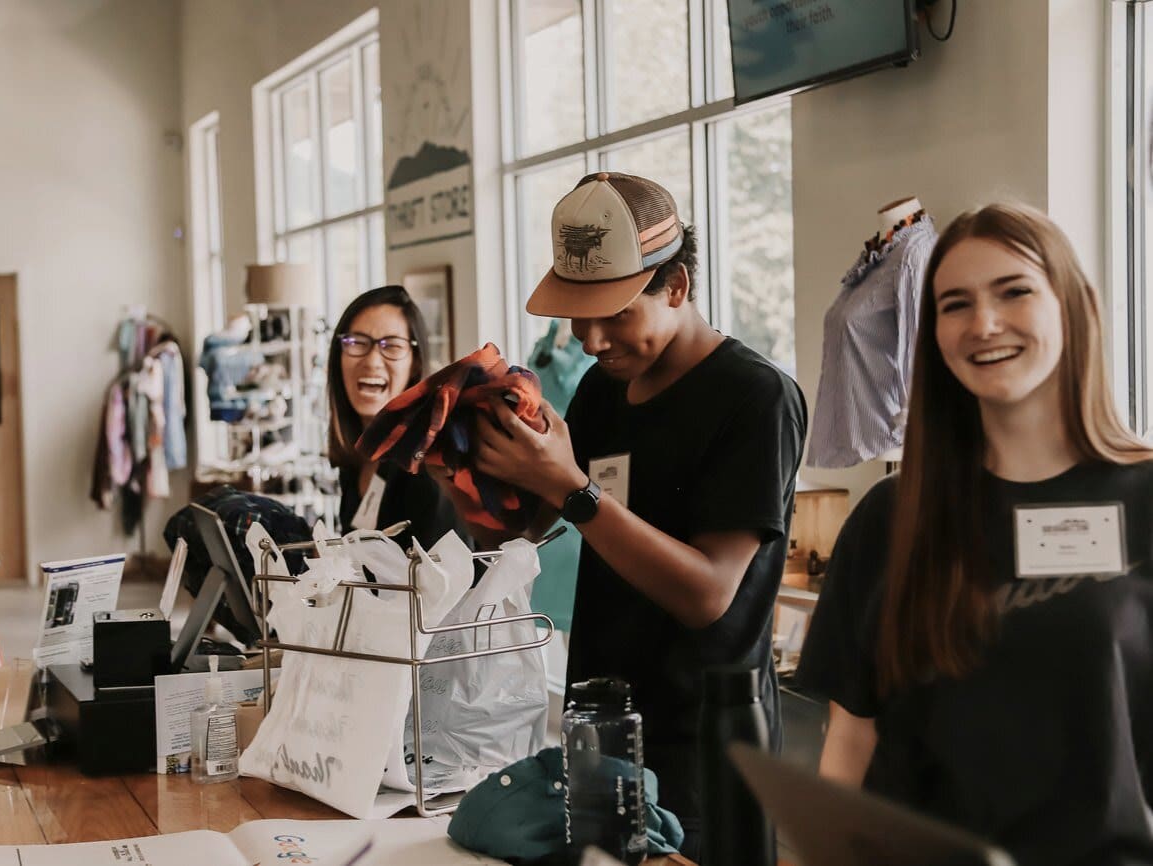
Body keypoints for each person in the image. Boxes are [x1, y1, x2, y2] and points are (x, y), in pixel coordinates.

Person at [447, 172, 806, 852]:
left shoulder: (755, 398)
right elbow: (518, 532)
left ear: (676, 286)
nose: (589, 339)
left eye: (615, 313)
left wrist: (575, 489)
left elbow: (708, 595)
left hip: (703, 752)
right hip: (598, 735)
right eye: (577, 315)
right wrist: (465, 468)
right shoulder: (601, 393)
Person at [796, 203, 1153, 865]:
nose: (983, 324)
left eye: (1014, 291)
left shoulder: (1145, 502)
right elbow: (851, 740)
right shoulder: (889, 518)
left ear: (1071, 305)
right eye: (954, 304)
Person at [327, 285, 459, 545]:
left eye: (392, 346)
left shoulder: (430, 463)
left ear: (415, 363)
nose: (372, 361)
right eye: (356, 342)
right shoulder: (355, 458)